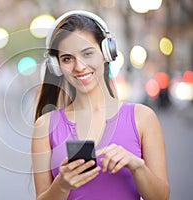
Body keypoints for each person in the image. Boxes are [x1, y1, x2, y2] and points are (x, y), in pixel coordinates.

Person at [31, 10, 169, 200]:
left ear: (106, 53)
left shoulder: (143, 118)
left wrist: (137, 166)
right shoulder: (44, 127)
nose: (79, 67)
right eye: (67, 59)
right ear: (57, 66)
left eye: (87, 53)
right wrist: (62, 185)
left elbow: (161, 197)